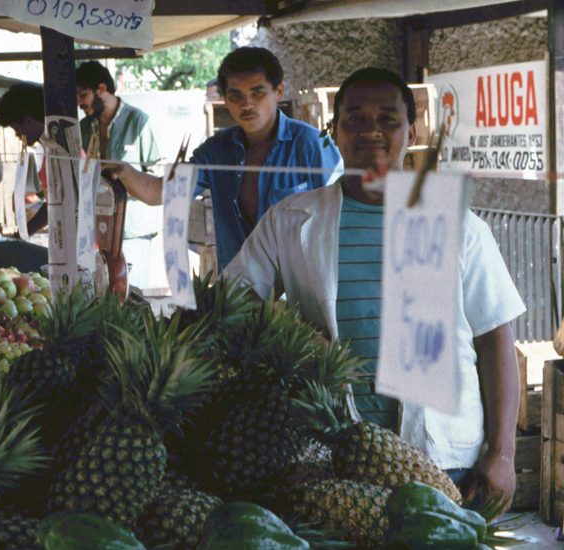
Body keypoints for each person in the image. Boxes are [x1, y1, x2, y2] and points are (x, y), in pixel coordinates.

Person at [223, 67, 524, 512]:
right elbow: (234, 302)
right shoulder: (291, 219)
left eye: (388, 119)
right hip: (332, 459)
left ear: (412, 130)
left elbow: (495, 338)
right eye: (354, 119)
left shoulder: (459, 225)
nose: (371, 132)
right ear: (334, 130)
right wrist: (289, 338)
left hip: (442, 460)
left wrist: (502, 455)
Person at [108, 47, 342, 271]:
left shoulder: (311, 145)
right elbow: (161, 191)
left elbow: (342, 217)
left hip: (299, 294)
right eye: (235, 95)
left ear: (278, 91)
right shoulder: (217, 151)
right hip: (238, 292)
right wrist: (126, 172)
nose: (246, 103)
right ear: (225, 99)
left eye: (257, 92)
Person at [76, 61, 164, 292]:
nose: (79, 103)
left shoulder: (138, 122)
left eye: (83, 95)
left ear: (102, 89)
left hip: (133, 232)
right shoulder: (84, 128)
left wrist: (127, 178)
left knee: (130, 298)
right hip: (97, 230)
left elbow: (156, 176)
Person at [0, 82, 50, 235]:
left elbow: (53, 207)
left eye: (16, 129)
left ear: (28, 122)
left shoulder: (58, 151)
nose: (18, 136)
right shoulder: (48, 149)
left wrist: (21, 235)